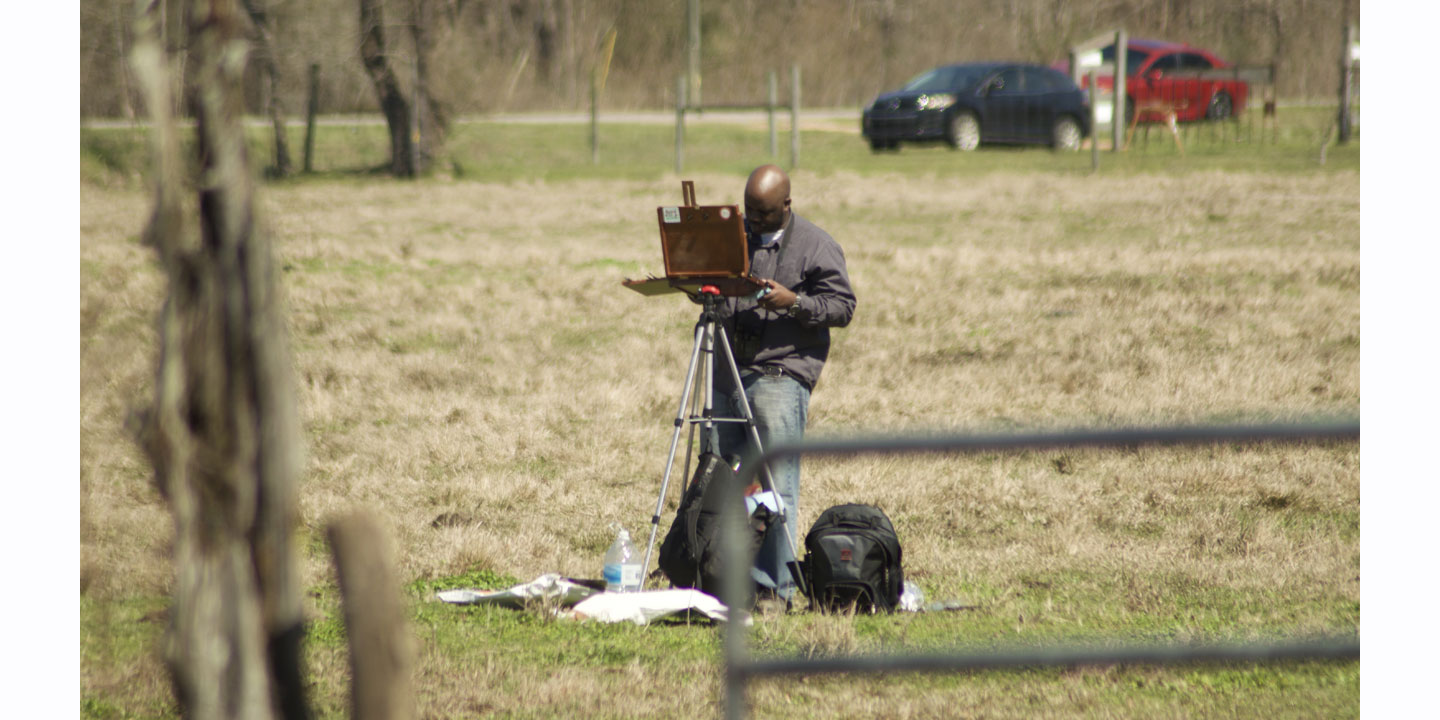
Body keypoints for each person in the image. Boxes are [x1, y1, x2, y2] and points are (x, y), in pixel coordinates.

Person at [703, 164, 856, 609]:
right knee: (718, 477)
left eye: (764, 214)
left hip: (780, 375)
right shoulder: (738, 237)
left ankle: (775, 588)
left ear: (787, 205)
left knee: (774, 484)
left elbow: (843, 307)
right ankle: (716, 576)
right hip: (728, 370)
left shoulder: (816, 245)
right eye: (748, 210)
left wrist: (795, 303)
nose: (753, 220)